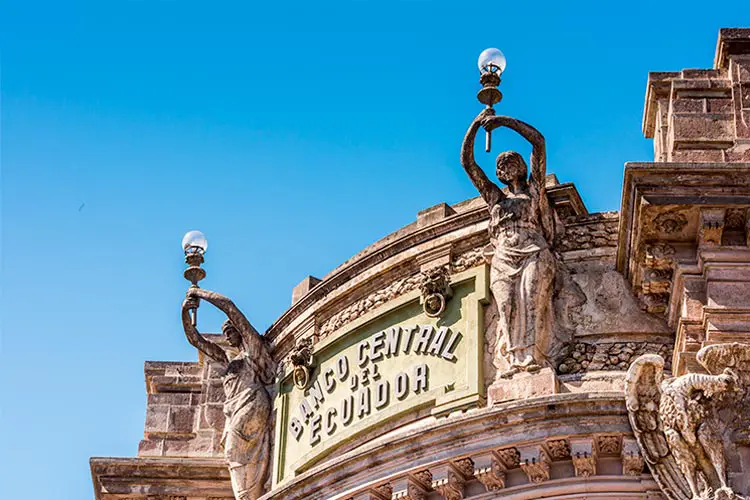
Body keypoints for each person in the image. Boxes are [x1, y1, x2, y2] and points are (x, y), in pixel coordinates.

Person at [460, 108, 556, 379]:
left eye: (511, 161)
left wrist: (504, 122)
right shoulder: (495, 198)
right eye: (501, 164)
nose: (505, 165)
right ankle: (513, 358)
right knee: (506, 305)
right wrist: (475, 126)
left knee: (530, 300)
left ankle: (531, 356)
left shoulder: (535, 190)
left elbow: (538, 142)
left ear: (522, 166)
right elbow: (468, 164)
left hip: (532, 251)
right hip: (503, 255)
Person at [182, 287, 275, 500]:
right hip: (235, 410)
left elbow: (230, 308)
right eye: (225, 333)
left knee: (234, 450)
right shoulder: (228, 361)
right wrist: (185, 312)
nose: (228, 336)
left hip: (252, 402)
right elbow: (196, 340)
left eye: (231, 331)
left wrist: (201, 293)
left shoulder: (252, 351)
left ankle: (248, 494)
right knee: (232, 454)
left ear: (239, 331)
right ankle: (247, 494)